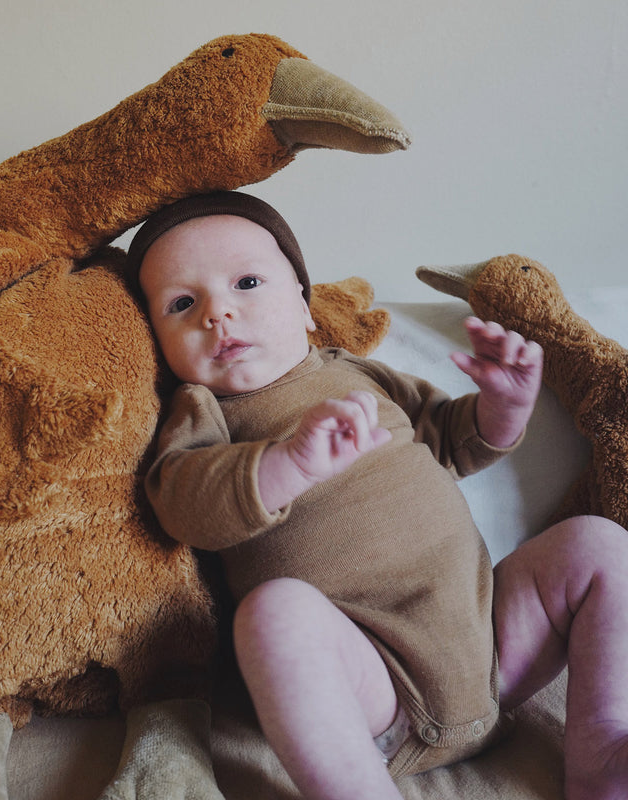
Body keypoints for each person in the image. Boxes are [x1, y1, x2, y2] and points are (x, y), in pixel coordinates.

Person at [125, 190, 628, 800]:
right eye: (182, 303)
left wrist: (504, 405)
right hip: (373, 684)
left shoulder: (357, 372)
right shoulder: (201, 411)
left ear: (307, 309)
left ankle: (602, 745)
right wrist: (288, 462)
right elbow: (182, 503)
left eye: (247, 282)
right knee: (273, 614)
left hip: (493, 643)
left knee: (598, 543)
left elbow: (453, 440)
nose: (218, 314)